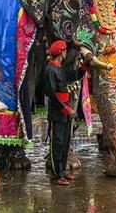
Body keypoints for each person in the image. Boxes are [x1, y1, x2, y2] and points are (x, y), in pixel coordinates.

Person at [44, 40, 86, 186]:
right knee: (57, 143)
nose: (66, 53)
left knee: (65, 143)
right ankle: (57, 175)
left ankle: (62, 172)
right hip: (58, 112)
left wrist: (84, 66)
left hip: (66, 111)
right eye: (65, 51)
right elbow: (52, 94)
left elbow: (74, 75)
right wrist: (67, 109)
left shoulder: (61, 68)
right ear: (61, 53)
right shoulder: (50, 70)